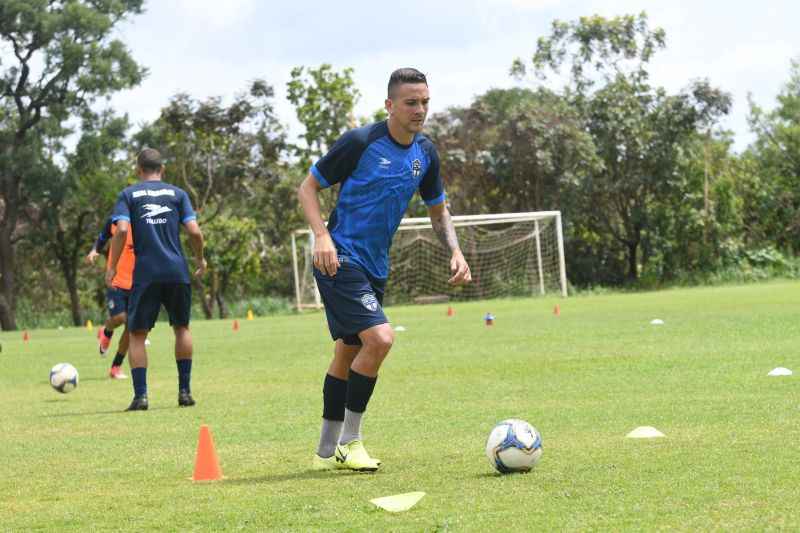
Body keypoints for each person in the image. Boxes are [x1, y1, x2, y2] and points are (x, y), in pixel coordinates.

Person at [297, 68, 471, 472]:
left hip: (375, 265)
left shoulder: (425, 153)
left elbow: (438, 210)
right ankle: (349, 443)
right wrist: (322, 236)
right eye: (411, 102)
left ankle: (325, 450)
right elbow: (308, 187)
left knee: (349, 351)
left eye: (425, 101)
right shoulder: (361, 142)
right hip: (339, 258)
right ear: (389, 104)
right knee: (380, 339)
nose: (420, 109)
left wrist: (456, 251)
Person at [107, 148, 207, 411]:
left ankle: (141, 397)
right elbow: (195, 232)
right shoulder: (178, 194)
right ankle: (184, 393)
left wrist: (113, 267)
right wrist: (200, 259)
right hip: (177, 271)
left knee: (138, 334)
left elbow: (122, 231)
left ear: (139, 171)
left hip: (146, 273)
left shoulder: (129, 195)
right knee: (182, 327)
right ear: (161, 170)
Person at [86, 217, 135, 379]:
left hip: (139, 282)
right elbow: (102, 237)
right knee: (120, 318)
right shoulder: (115, 221)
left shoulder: (146, 223)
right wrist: (95, 251)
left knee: (131, 327)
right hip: (116, 280)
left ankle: (116, 367)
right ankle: (106, 331)